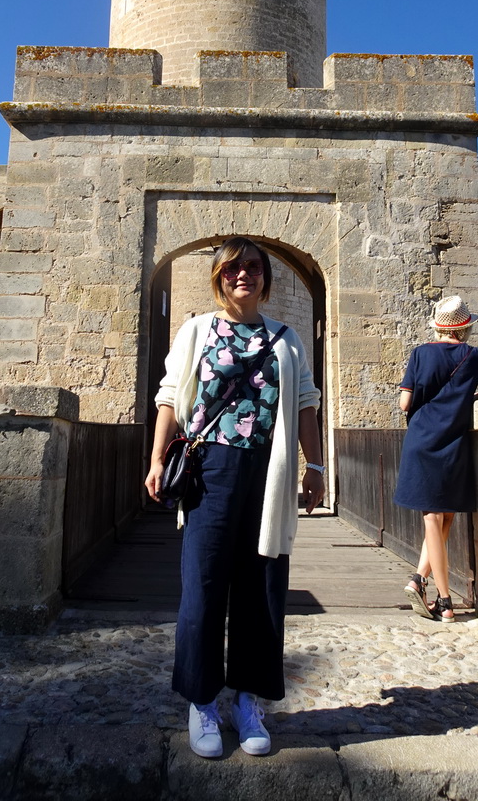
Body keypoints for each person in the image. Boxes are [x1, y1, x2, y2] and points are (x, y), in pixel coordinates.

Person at [144, 237, 325, 758]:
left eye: (252, 268)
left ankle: (248, 700)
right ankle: (202, 700)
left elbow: (306, 405)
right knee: (203, 584)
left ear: (265, 278)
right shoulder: (197, 329)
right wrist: (157, 459)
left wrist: (313, 466)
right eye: (232, 269)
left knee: (263, 585)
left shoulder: (288, 339)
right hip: (209, 471)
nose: (242, 275)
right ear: (219, 277)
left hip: (269, 471)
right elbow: (170, 397)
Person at [394, 295, 478, 623]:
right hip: (454, 442)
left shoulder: (420, 354)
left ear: (438, 326)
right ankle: (422, 581)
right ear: (464, 328)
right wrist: (464, 397)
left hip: (422, 441)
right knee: (446, 516)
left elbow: (404, 403)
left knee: (434, 518)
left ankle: (444, 600)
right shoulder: (475, 356)